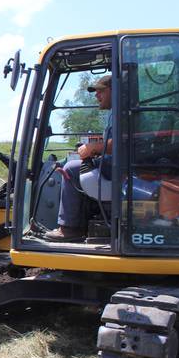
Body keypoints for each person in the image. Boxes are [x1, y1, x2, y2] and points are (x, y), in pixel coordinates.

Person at [44, 75, 112, 241]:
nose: (97, 95)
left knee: (70, 169)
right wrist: (93, 150)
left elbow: (121, 142)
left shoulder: (122, 113)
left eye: (100, 91)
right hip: (117, 162)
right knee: (72, 164)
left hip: (120, 166)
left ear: (113, 90)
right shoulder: (116, 113)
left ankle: (69, 228)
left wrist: (93, 148)